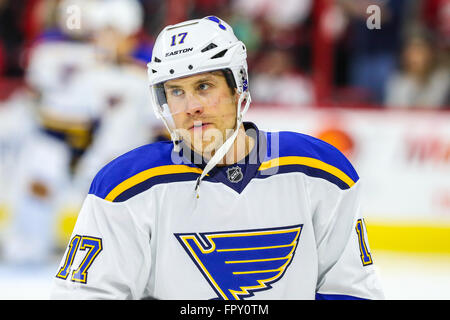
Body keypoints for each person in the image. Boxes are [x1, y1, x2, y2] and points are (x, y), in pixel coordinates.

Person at [50, 16, 384, 300]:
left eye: (204, 86)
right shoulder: (125, 187)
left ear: (238, 87)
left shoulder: (320, 173)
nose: (190, 106)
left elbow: (351, 290)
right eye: (176, 91)